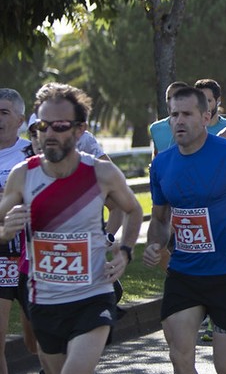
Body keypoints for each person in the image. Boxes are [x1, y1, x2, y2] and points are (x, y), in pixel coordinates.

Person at [0, 83, 143, 374]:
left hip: (92, 297)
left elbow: (133, 209)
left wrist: (125, 252)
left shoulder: (101, 173)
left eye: (60, 126)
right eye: (42, 125)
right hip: (44, 301)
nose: (49, 134)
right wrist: (3, 232)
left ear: (80, 130)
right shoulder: (22, 175)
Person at [143, 86, 226, 373]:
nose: (179, 121)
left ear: (205, 117)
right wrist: (155, 244)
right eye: (173, 115)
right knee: (179, 358)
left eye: (187, 114)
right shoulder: (161, 164)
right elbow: (159, 218)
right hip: (183, 273)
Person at [0, 88, 31, 374]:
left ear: (20, 119)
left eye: (4, 112)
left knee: (36, 342)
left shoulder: (30, 153)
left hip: (29, 256)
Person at [149, 81, 190, 157]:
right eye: (169, 98)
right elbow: (156, 158)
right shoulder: (156, 128)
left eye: (175, 98)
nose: (171, 102)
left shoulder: (199, 127)